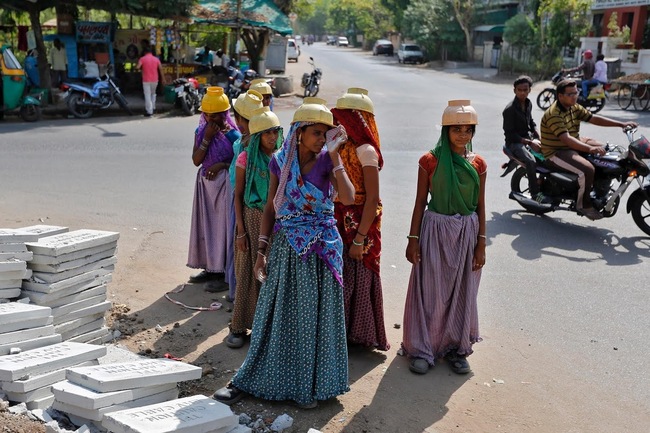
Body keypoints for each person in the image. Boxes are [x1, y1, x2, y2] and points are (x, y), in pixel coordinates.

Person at [213, 97, 355, 409]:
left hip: (321, 251)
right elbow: (270, 207)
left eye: (325, 134)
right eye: (317, 133)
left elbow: (348, 196)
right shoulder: (280, 161)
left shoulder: (328, 162)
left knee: (314, 318)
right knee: (274, 315)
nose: (321, 139)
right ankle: (258, 377)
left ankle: (311, 385)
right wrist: (261, 249)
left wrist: (336, 156)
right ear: (300, 133)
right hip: (287, 248)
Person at [402, 100, 486, 376]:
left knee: (462, 292)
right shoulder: (430, 160)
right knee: (431, 293)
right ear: (445, 131)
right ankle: (423, 348)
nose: (463, 135)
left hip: (466, 234)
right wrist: (412, 239)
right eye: (456, 129)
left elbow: (481, 205)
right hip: (435, 231)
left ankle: (456, 348)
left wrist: (481, 244)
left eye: (468, 130)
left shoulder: (478, 164)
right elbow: (419, 202)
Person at [331, 88, 389, 351]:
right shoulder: (337, 147)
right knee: (340, 276)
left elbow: (373, 199)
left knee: (360, 272)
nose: (337, 123)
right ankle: (340, 332)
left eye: (343, 118)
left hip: (360, 222)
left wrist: (360, 237)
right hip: (337, 218)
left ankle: (360, 335)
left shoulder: (366, 151)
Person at [539, 79, 637, 221]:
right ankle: (583, 205)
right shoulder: (554, 114)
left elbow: (593, 118)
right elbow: (566, 140)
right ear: (560, 96)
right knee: (587, 170)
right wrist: (590, 149)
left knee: (606, 152)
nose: (575, 96)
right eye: (570, 94)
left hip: (574, 142)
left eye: (576, 92)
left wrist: (621, 124)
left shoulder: (573, 107)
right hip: (557, 151)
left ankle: (599, 187)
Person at [227, 106, 283, 348]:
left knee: (270, 277)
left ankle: (264, 331)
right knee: (247, 276)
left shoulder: (281, 159)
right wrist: (240, 231)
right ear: (258, 135)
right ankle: (239, 327)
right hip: (250, 221)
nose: (272, 138)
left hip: (275, 224)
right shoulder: (245, 158)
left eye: (275, 132)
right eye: (267, 133)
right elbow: (238, 196)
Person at [187, 87, 242, 284]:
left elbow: (238, 163)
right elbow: (196, 160)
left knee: (223, 230)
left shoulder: (234, 136)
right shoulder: (201, 132)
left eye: (218, 115)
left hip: (225, 185)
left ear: (225, 114)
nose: (213, 120)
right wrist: (208, 137)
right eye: (209, 115)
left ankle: (222, 272)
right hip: (205, 185)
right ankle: (210, 268)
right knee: (206, 227)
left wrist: (221, 165)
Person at [218, 90, 263, 297]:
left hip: (242, 204)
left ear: (241, 120)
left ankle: (239, 294)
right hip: (247, 203)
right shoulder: (249, 141)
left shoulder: (246, 145)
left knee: (241, 248)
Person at [502, 75, 550, 204]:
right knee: (530, 161)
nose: (522, 92)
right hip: (515, 143)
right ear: (515, 90)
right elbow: (510, 134)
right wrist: (529, 142)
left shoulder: (528, 103)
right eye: (519, 90)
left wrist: (538, 137)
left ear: (529, 90)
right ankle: (535, 193)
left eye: (525, 90)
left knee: (552, 154)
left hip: (528, 138)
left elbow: (531, 122)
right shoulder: (509, 109)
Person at [136, 47, 163, 117]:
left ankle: (149, 111)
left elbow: (137, 67)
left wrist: (141, 69)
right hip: (155, 79)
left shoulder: (142, 59)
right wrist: (163, 79)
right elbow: (161, 69)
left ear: (145, 52)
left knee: (147, 95)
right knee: (153, 94)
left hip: (146, 80)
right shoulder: (156, 59)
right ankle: (153, 107)